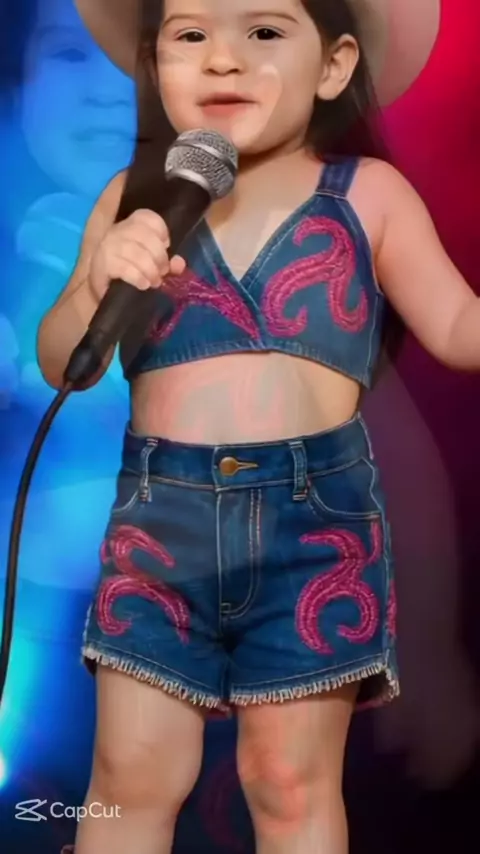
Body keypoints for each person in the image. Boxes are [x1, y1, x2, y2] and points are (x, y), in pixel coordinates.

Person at [36, 1, 478, 853]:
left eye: (264, 32)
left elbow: (458, 325)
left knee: (288, 781)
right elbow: (64, 361)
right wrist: (95, 284)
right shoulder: (134, 199)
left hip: (315, 529)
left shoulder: (368, 195)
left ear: (334, 65)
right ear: (153, 63)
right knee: (130, 775)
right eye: (191, 35)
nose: (223, 60)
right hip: (160, 526)